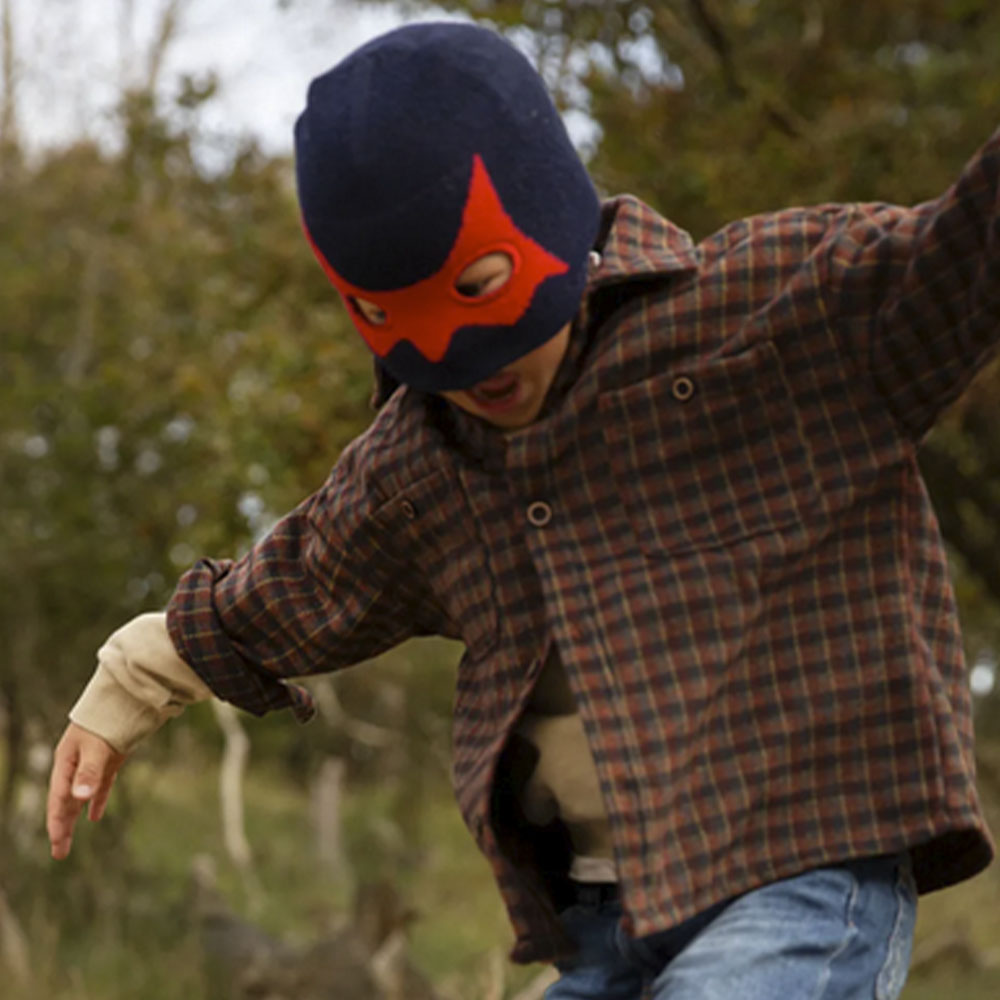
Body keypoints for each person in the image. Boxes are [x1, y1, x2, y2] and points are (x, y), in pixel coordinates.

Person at [47, 20, 997, 1000]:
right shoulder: (418, 465)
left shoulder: (769, 318)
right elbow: (291, 585)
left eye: (484, 297)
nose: (476, 374)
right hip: (601, 931)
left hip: (798, 868)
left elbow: (960, 255)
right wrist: (130, 680)